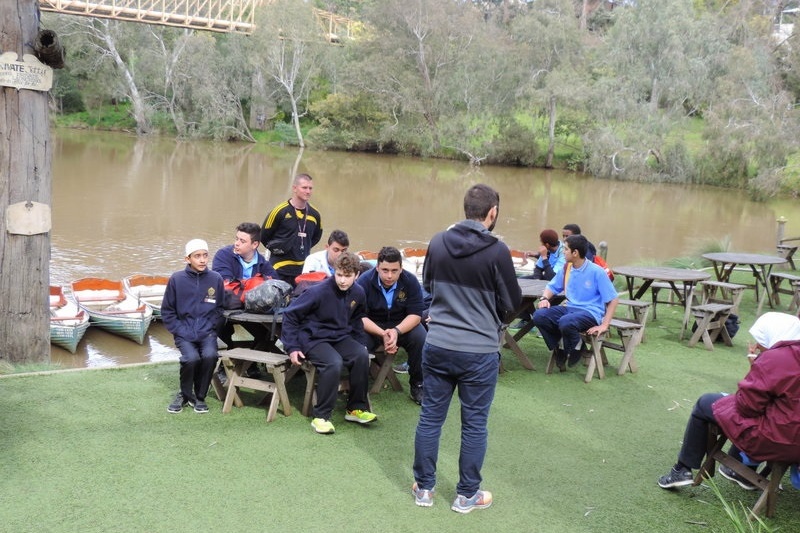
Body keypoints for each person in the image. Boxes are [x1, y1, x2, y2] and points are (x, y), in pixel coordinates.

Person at [412, 184, 522, 513]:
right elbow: (512, 303)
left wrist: (440, 314)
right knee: (474, 424)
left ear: (465, 209)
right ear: (493, 213)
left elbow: (427, 288)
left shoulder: (437, 242)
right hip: (479, 351)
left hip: (439, 345)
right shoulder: (497, 251)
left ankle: (424, 489)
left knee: (430, 418)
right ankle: (466, 495)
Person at [657, 312, 800, 490]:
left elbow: (748, 407)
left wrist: (757, 368)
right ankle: (744, 469)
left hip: (774, 438)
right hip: (794, 443)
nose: (758, 345)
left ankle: (683, 469)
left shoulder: (777, 358)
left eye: (761, 339)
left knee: (706, 402)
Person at [280, 251, 377, 434]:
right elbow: (290, 315)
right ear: (334, 271)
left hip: (339, 337)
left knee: (361, 355)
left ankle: (355, 409)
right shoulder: (318, 291)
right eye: (339, 274)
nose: (342, 280)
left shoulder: (359, 292)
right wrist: (292, 347)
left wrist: (360, 342)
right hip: (313, 338)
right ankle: (321, 417)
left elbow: (357, 319)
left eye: (347, 276)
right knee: (333, 362)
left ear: (357, 275)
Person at [531, 234, 618, 370]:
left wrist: (604, 325)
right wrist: (544, 299)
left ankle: (575, 346)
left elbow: (613, 299)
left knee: (566, 321)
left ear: (575, 253)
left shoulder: (597, 272)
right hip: (569, 309)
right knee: (539, 316)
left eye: (565, 249)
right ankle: (561, 347)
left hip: (590, 313)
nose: (563, 251)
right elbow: (551, 287)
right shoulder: (567, 268)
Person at [357, 246, 426, 405]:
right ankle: (357, 391)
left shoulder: (410, 281)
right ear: (377, 267)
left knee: (421, 337)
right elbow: (359, 317)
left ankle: (418, 385)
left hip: (401, 325)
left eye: (394, 270)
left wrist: (396, 331)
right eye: (385, 270)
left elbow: (416, 315)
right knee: (358, 345)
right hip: (372, 326)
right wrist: (383, 333)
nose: (389, 275)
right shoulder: (364, 281)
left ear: (401, 269)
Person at [162, 239, 225, 414]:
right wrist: (180, 331)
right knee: (191, 358)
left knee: (210, 355)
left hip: (207, 332)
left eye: (205, 255)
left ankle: (200, 396)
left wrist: (211, 327)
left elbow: (220, 308)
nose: (202, 260)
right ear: (187, 259)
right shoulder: (176, 279)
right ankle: (184, 394)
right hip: (184, 332)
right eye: (197, 256)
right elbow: (167, 311)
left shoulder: (216, 278)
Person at [212, 222, 278, 351]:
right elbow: (226, 284)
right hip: (226, 307)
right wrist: (257, 284)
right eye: (236, 239)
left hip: (253, 310)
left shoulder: (262, 263)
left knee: (271, 331)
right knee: (220, 326)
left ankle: (252, 363)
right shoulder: (223, 255)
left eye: (242, 241)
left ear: (254, 244)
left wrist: (244, 286)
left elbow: (275, 285)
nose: (237, 243)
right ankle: (226, 363)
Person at [261, 173, 323, 286]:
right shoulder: (280, 211)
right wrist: (279, 248)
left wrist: (300, 246)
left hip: (303, 269)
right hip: (279, 268)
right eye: (304, 187)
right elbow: (264, 236)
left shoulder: (315, 214)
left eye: (310, 188)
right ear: (294, 188)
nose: (308, 191)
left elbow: (316, 237)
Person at [511, 229, 566, 329]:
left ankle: (539, 322)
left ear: (547, 244)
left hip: (559, 284)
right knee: (516, 284)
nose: (540, 245)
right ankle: (526, 318)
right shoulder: (548, 250)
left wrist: (544, 257)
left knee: (546, 295)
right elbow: (538, 268)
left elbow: (552, 278)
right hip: (544, 278)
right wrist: (536, 280)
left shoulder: (563, 252)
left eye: (542, 242)